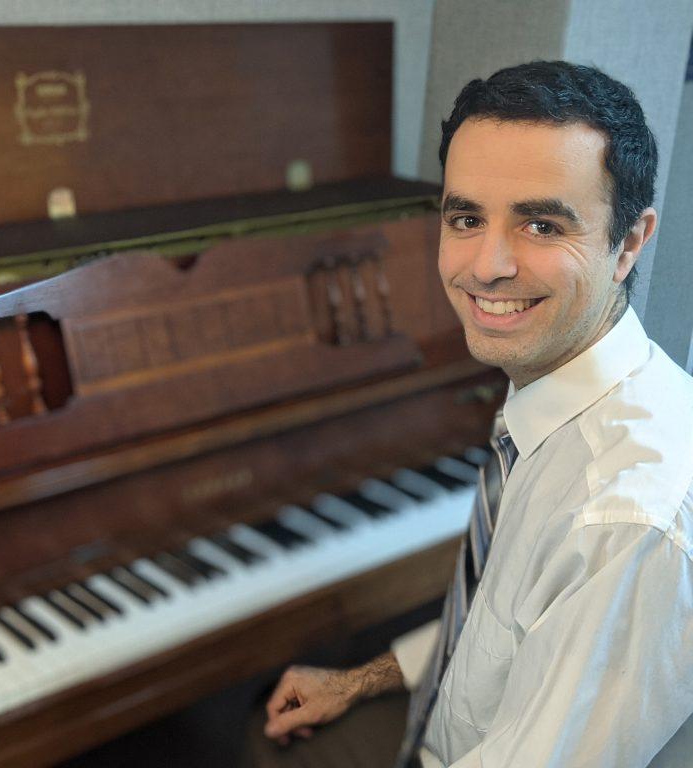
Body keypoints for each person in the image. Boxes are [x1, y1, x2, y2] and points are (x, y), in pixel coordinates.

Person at [246, 60, 693, 767]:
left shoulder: (631, 523)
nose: (486, 266)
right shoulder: (554, 392)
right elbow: (505, 630)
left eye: (542, 224)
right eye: (465, 218)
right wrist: (366, 678)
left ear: (630, 242)